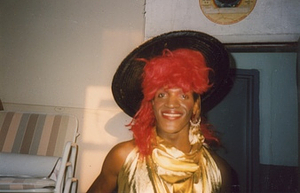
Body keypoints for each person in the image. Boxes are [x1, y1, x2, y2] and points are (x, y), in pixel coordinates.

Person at [88, 30, 233, 193]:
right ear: (152, 103)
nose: (171, 104)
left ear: (196, 105)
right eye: (162, 94)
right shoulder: (122, 157)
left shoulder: (219, 171)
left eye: (183, 95)